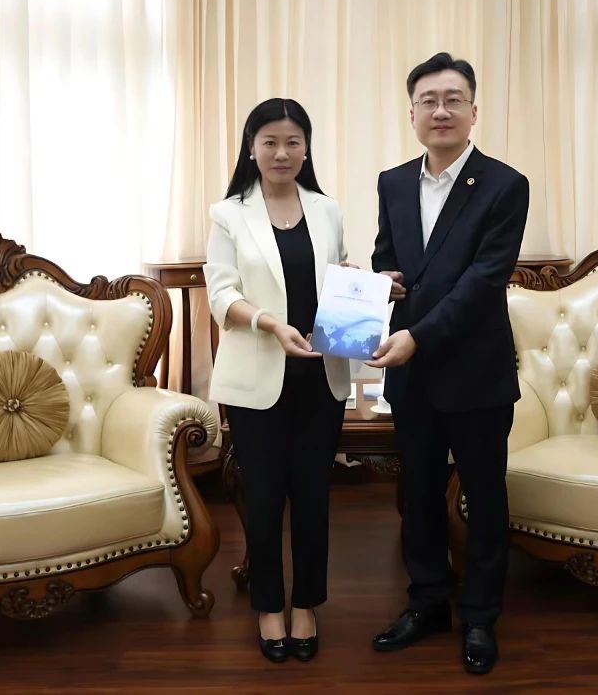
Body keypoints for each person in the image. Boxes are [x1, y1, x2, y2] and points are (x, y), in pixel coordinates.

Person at [368, 53, 529, 674]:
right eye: (428, 100)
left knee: (484, 498)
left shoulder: (504, 185)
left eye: (453, 99)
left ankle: (481, 617)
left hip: (476, 372)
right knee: (419, 494)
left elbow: (483, 282)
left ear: (473, 111)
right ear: (412, 113)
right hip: (413, 376)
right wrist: (381, 282)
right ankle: (428, 602)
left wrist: (416, 336)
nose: (441, 110)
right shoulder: (392, 182)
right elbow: (390, 257)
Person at [204, 98, 351, 664]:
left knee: (313, 497)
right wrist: (270, 324)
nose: (282, 152)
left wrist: (360, 283)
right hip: (257, 377)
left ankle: (306, 603)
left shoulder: (327, 209)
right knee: (264, 499)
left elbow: (336, 274)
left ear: (306, 149)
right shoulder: (228, 214)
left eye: (293, 142)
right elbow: (221, 295)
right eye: (270, 142)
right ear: (252, 148)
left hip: (321, 373)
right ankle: (269, 606)